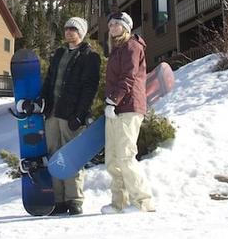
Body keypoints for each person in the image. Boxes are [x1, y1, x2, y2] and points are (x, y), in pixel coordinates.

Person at [39, 16, 100, 216]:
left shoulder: (89, 56)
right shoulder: (59, 54)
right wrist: (42, 102)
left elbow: (89, 88)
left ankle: (74, 199)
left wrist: (80, 115)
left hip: (71, 114)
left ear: (81, 33)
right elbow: (49, 81)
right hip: (53, 113)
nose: (68, 32)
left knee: (71, 157)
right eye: (66, 28)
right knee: (54, 156)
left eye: (73, 29)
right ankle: (58, 200)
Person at [100, 11, 156, 214]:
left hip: (129, 107)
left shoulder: (132, 46)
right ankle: (119, 203)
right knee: (113, 159)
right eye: (111, 24)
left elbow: (128, 78)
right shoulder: (117, 50)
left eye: (118, 24)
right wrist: (111, 104)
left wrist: (113, 101)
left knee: (125, 156)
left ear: (127, 27)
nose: (113, 27)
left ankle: (143, 202)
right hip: (116, 108)